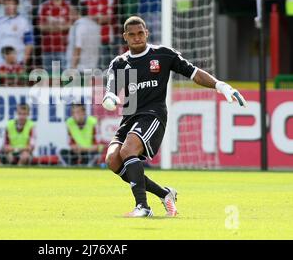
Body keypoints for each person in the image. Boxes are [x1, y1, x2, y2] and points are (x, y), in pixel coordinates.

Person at [102, 16, 247, 218]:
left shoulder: (163, 55)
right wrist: (109, 95)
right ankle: (164, 193)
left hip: (153, 115)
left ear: (147, 33)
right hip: (129, 118)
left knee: (128, 150)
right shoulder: (119, 63)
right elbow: (111, 86)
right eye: (132, 35)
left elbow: (194, 73)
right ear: (125, 37)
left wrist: (221, 86)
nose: (137, 38)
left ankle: (143, 207)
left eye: (140, 33)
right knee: (112, 160)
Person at [0, 0, 34, 70]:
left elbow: (29, 44)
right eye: (6, 4)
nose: (8, 7)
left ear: (17, 6)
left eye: (11, 4)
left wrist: (23, 62)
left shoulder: (24, 22)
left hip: (17, 63)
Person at [66, 2, 101, 71]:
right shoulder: (95, 25)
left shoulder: (79, 26)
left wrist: (72, 68)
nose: (69, 14)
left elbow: (78, 48)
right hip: (93, 66)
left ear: (75, 12)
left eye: (70, 11)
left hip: (79, 69)